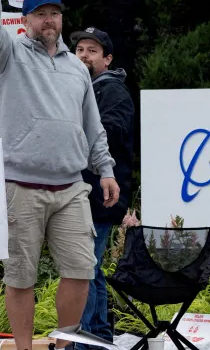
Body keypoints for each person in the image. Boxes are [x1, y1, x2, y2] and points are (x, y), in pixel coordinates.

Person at [0, 0, 120, 350]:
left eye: (54, 13)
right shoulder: (6, 54)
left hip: (72, 185)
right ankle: (24, 349)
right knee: (20, 276)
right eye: (40, 14)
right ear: (25, 21)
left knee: (81, 269)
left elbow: (92, 127)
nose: (48, 20)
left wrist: (104, 169)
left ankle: (64, 344)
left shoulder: (77, 67)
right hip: (21, 185)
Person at [69, 26, 135, 350]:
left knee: (85, 268)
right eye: (80, 49)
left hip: (102, 195)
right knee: (89, 269)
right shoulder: (79, 89)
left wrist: (71, 130)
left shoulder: (112, 92)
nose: (84, 56)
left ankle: (89, 342)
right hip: (84, 193)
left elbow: (111, 132)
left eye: (92, 51)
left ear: (107, 59)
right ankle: (97, 339)